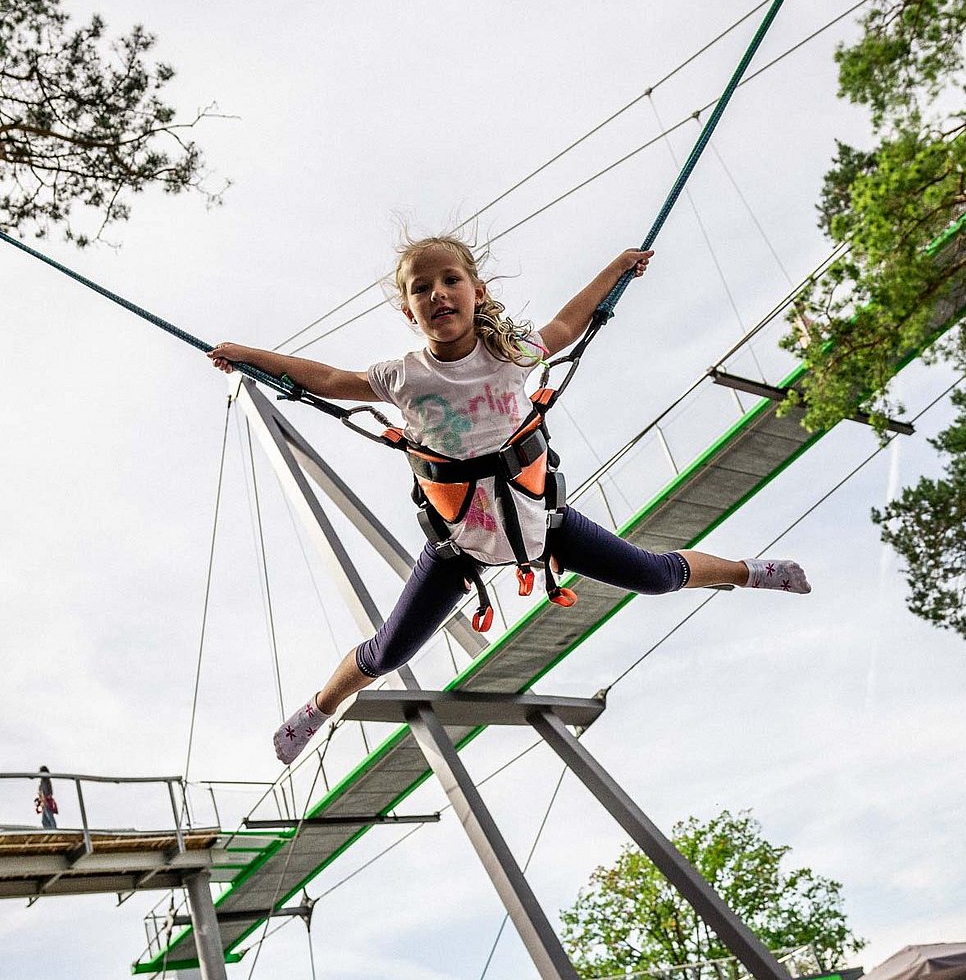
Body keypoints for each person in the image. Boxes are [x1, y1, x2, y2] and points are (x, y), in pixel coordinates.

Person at [209, 237, 811, 765]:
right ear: (408, 307)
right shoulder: (403, 378)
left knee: (654, 578)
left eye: (451, 281)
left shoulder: (509, 354)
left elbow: (569, 325)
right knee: (387, 651)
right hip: (458, 547)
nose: (438, 294)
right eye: (422, 288)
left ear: (476, 291)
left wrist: (617, 270)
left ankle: (749, 571)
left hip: (543, 526)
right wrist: (249, 356)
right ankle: (318, 709)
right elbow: (328, 381)